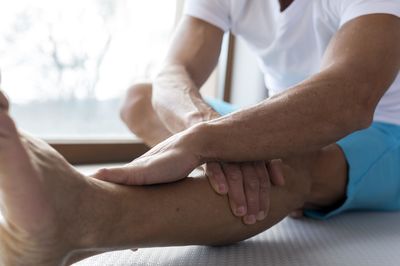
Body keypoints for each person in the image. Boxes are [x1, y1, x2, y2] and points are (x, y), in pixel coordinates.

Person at [103, 0, 400, 223]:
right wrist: (207, 130)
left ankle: (100, 217)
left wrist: (208, 143)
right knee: (138, 101)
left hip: (384, 130)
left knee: (286, 163)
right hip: (281, 115)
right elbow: (171, 74)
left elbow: (350, 99)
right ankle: (248, 173)